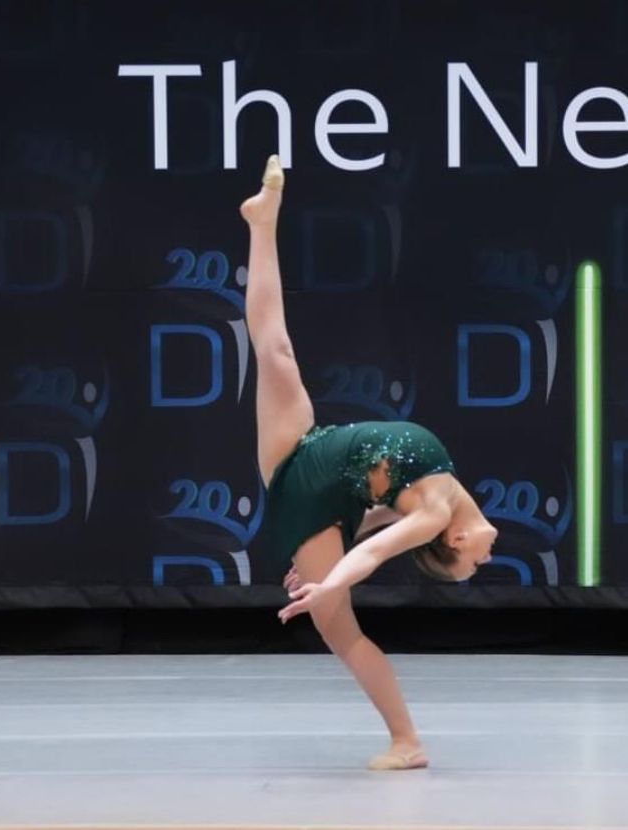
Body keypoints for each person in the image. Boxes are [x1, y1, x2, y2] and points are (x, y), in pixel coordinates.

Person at [240, 155, 499, 771]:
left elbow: (377, 550)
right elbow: (379, 519)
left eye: (474, 563)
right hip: (318, 454)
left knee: (340, 629)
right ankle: (262, 219)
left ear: (453, 537)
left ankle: (406, 742)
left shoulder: (437, 512)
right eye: (477, 564)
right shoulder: (442, 492)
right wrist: (336, 559)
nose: (486, 560)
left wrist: (328, 582)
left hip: (300, 486)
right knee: (275, 350)